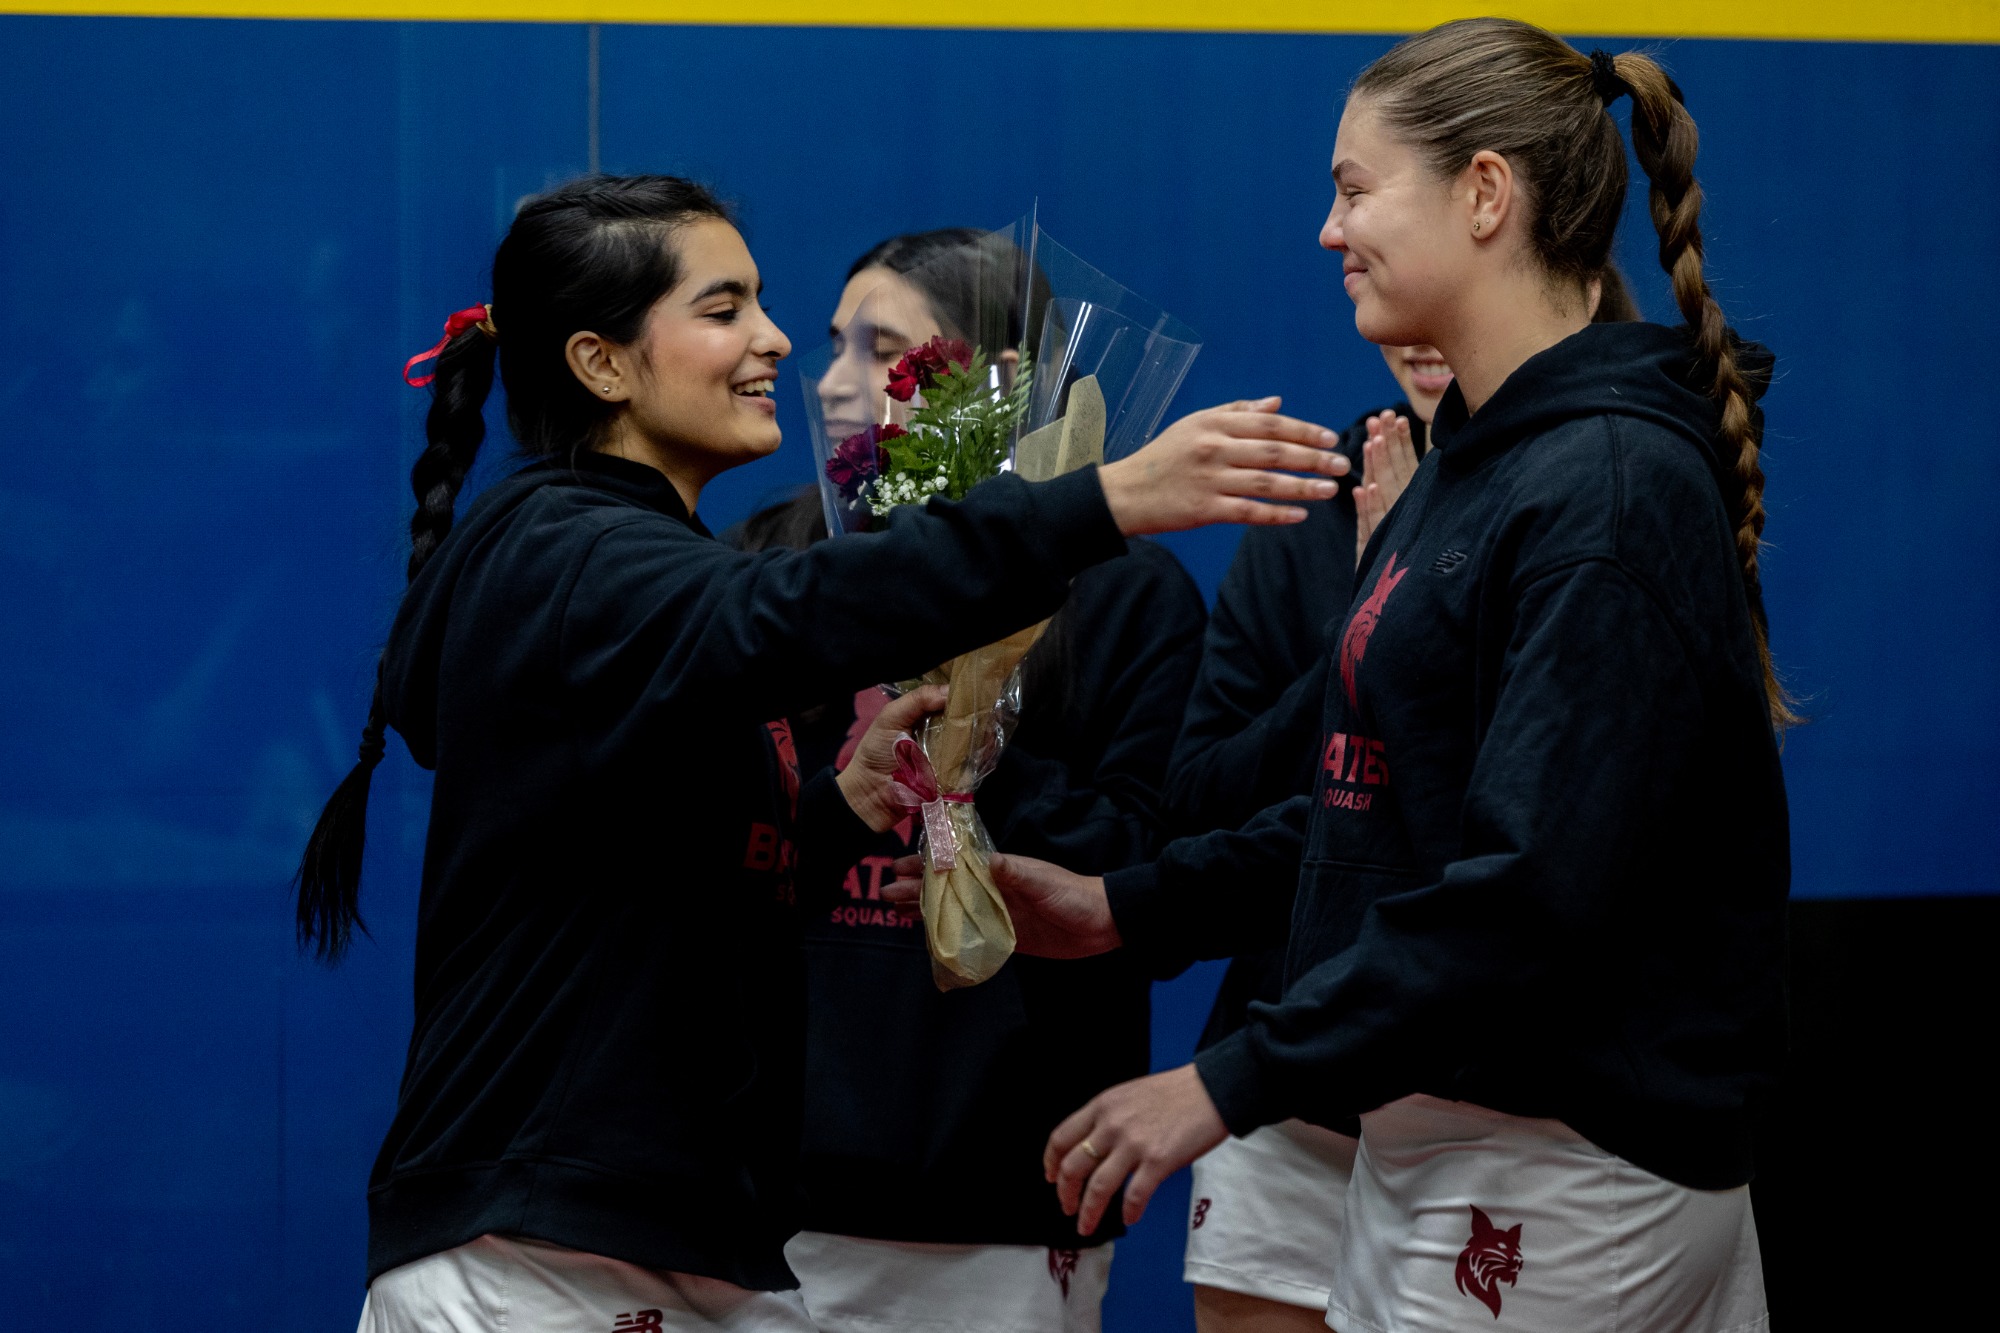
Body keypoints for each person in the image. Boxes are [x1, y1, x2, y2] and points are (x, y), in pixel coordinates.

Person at [294, 175, 1349, 1332]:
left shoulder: (644, 555)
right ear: (601, 364)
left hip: (679, 1237)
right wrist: (1094, 498)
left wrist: (840, 812)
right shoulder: (566, 549)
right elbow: (782, 613)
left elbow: (673, 881)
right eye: (723, 307)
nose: (780, 342)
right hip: (543, 1249)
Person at [905, 22, 1788, 1332]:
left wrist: (1222, 1081)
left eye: (1355, 187)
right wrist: (1124, 907)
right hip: (1456, 1140)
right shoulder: (1472, 466)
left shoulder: (1605, 486)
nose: (1329, 229)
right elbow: (1384, 811)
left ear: (1486, 194)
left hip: (1562, 1164)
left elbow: (1530, 893)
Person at [729, 228, 1209, 1333]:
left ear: (999, 383)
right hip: (776, 1192)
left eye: (880, 347)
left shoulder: (1125, 595)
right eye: (834, 345)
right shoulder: (772, 565)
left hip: (1004, 1190)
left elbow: (1153, 872)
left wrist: (978, 747)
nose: (836, 380)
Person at [1167, 271, 1641, 1333]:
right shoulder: (1309, 503)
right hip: (1292, 1087)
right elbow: (1199, 803)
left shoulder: (1608, 488)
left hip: (1497, 1106)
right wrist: (1361, 620)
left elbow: (1533, 836)